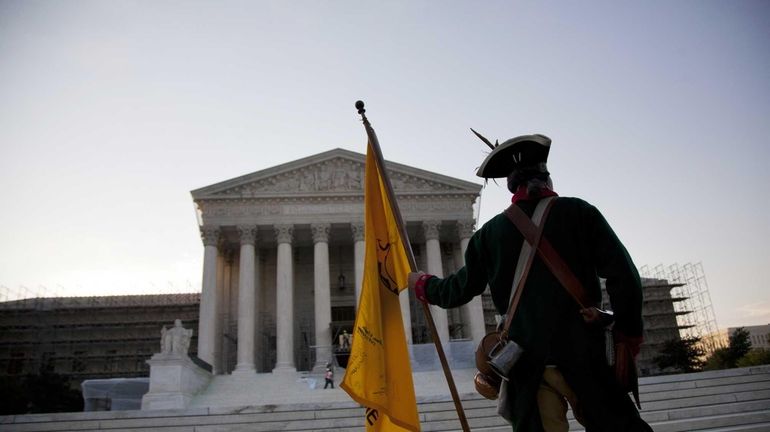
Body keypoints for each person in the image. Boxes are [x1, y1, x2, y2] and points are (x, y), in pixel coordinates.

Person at [408, 134, 652, 432]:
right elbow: (624, 276)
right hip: (584, 353)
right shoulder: (579, 212)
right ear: (547, 178)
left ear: (511, 186)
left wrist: (424, 285)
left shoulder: (489, 234)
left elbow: (458, 290)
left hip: (524, 362)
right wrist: (628, 334)